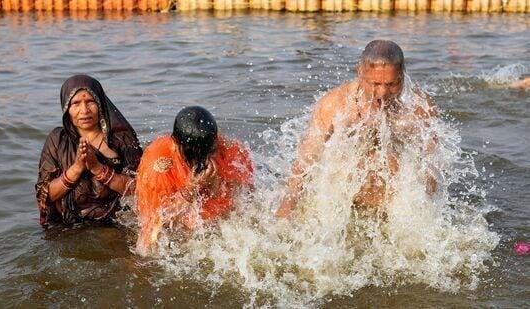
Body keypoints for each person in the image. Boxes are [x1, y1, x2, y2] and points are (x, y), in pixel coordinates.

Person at [276, 40, 438, 218]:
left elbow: (432, 166)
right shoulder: (335, 105)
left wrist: (425, 211)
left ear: (403, 75)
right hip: (346, 199)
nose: (383, 94)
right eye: (375, 84)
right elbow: (305, 162)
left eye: (392, 84)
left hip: (394, 202)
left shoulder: (420, 108)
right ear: (360, 73)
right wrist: (287, 207)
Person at [135, 106, 253, 255]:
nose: (202, 161)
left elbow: (247, 198)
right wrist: (191, 189)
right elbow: (149, 242)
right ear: (175, 144)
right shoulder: (157, 169)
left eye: (209, 152)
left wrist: (215, 187)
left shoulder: (230, 149)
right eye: (193, 156)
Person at [35, 75, 142, 228]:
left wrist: (98, 169)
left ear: (100, 104)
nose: (84, 110)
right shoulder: (58, 140)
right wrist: (77, 168)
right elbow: (45, 196)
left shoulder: (122, 139)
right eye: (76, 103)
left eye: (90, 102)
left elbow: (140, 188)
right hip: (68, 229)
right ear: (66, 108)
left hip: (114, 227)